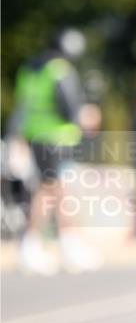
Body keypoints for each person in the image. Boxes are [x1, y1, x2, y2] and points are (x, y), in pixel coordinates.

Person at [10, 29, 100, 274]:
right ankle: (36, 246)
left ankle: (66, 244)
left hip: (35, 136)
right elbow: (69, 107)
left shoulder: (29, 70)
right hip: (57, 137)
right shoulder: (59, 70)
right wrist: (86, 118)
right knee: (51, 191)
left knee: (57, 191)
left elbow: (22, 107)